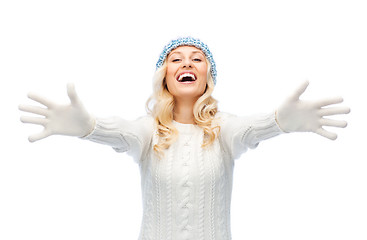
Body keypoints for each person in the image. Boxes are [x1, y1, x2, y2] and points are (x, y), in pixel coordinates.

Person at [19, 37, 350, 240]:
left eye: (197, 58)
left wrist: (279, 122)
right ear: (165, 76)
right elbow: (120, 132)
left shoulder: (222, 130)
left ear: (208, 75)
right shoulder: (150, 131)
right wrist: (88, 127)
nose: (186, 63)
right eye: (176, 59)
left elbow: (249, 130)